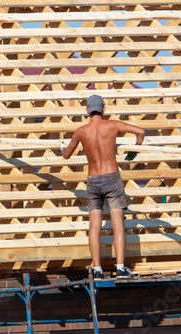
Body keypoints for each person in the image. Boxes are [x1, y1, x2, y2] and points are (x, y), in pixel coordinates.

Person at [61, 95, 145, 279]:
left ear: (86, 111)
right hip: (112, 178)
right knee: (118, 226)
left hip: (93, 180)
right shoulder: (112, 125)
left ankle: (97, 270)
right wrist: (134, 150)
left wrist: (61, 148)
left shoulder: (81, 131)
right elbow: (140, 131)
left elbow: (66, 155)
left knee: (94, 227)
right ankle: (121, 268)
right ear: (104, 109)